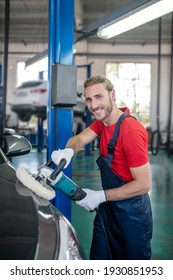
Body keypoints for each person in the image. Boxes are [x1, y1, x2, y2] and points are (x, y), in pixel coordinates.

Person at [51, 74, 153, 260]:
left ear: (112, 94)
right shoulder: (102, 123)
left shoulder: (130, 131)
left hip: (132, 216)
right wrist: (69, 151)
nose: (94, 105)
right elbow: (79, 138)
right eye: (89, 99)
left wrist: (100, 196)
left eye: (99, 97)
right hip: (108, 210)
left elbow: (144, 184)